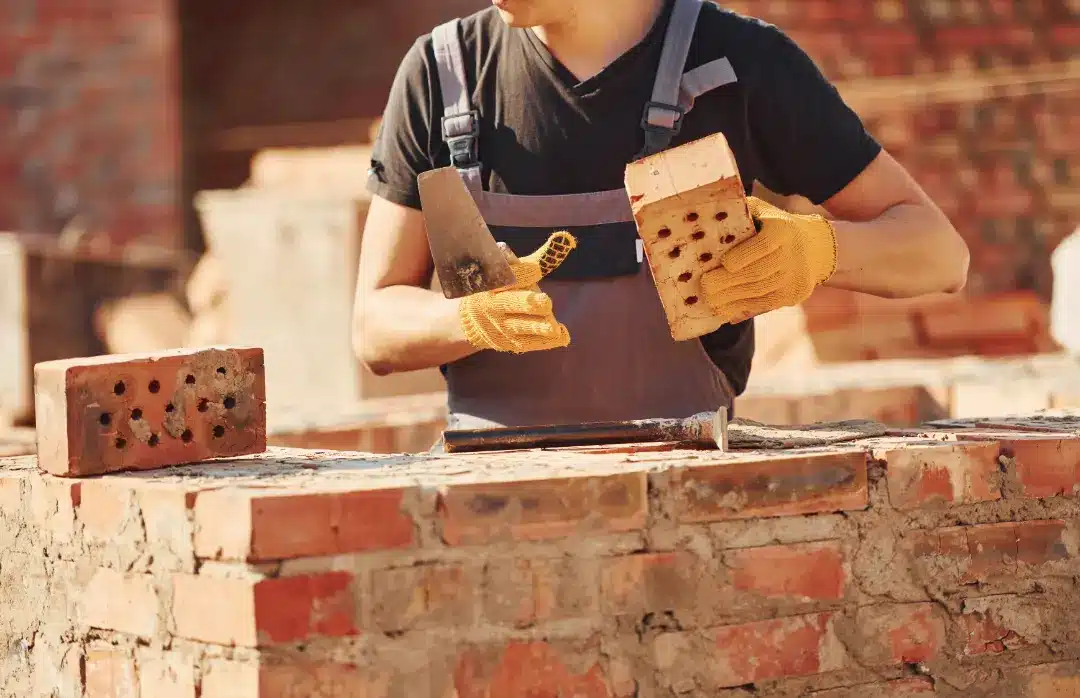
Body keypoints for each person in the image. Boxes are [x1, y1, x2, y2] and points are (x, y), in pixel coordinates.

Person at [352, 0, 969, 436]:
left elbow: (941, 255)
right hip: (491, 504)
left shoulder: (742, 65)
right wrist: (468, 319)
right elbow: (374, 326)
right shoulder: (441, 76)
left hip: (684, 508)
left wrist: (816, 252)